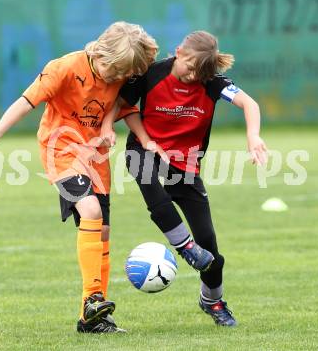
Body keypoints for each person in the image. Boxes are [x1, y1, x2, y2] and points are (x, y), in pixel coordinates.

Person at [0, 21, 159, 333]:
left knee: (103, 231)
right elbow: (27, 100)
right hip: (60, 148)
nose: (118, 79)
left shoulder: (122, 71)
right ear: (102, 52)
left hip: (94, 154)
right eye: (115, 72)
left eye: (125, 75)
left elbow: (124, 107)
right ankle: (94, 298)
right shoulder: (64, 68)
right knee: (91, 211)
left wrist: (132, 135)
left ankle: (92, 318)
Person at [107, 30, 268, 327]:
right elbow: (123, 105)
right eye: (190, 66)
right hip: (145, 149)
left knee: (211, 252)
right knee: (152, 189)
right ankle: (184, 247)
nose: (193, 75)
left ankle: (213, 301)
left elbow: (250, 104)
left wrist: (253, 136)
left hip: (185, 164)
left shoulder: (211, 83)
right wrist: (118, 131)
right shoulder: (151, 73)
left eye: (200, 71)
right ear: (179, 51)